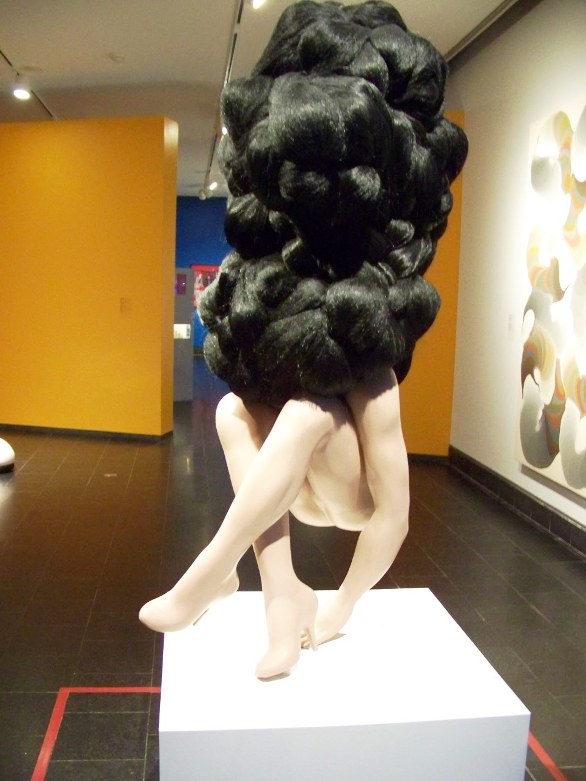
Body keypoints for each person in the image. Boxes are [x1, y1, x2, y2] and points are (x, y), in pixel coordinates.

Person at [139, 0, 467, 679]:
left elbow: (394, 515)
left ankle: (212, 568)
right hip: (300, 487)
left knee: (309, 411)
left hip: (348, 502)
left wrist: (344, 603)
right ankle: (280, 595)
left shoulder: (371, 368)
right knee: (233, 410)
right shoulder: (292, 320)